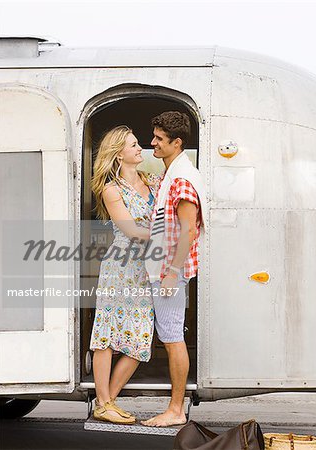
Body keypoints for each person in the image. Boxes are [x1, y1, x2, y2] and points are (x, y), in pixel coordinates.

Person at [89, 125, 159, 424]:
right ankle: (103, 402)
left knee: (140, 337)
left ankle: (108, 402)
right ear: (119, 153)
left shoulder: (152, 181)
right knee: (107, 335)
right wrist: (168, 235)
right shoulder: (112, 189)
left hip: (148, 268)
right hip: (121, 267)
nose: (139, 148)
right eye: (133, 145)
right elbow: (130, 229)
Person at [142, 111, 207, 427]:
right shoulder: (174, 174)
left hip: (170, 269)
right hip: (166, 267)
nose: (152, 142)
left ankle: (176, 409)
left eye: (158, 138)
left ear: (177, 142)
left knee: (171, 338)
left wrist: (171, 271)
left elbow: (189, 230)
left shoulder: (181, 180)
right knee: (170, 336)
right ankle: (175, 407)